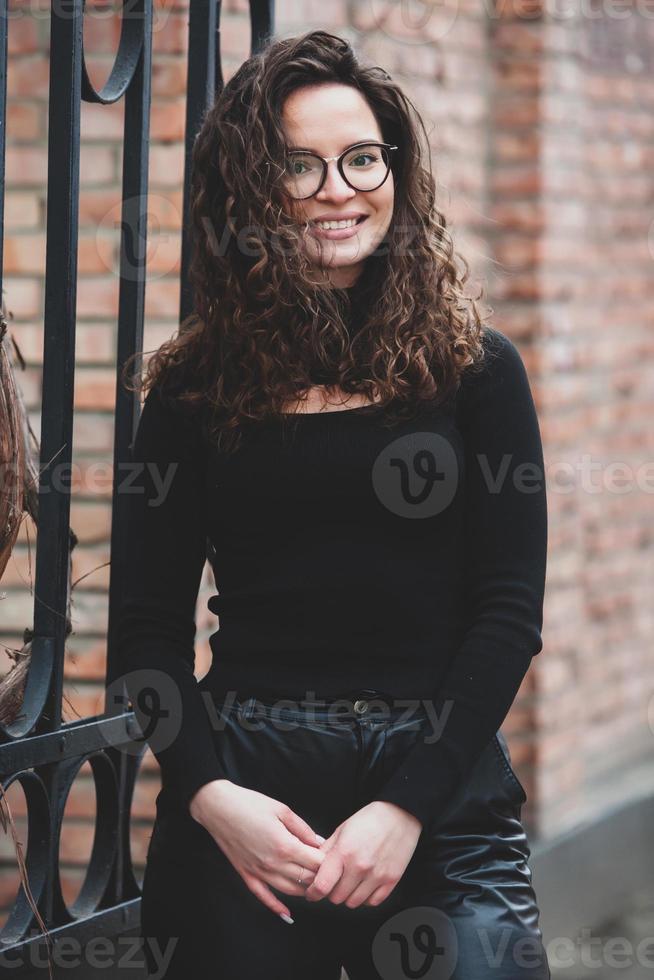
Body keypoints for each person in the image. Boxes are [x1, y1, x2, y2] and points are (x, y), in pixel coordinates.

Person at [117, 28, 550, 980]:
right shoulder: (195, 388)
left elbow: (509, 614)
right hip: (248, 793)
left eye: (362, 158)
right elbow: (144, 631)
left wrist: (404, 808)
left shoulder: (476, 371)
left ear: (395, 168)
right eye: (298, 165)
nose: (337, 188)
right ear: (251, 191)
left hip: (437, 792)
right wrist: (207, 797)